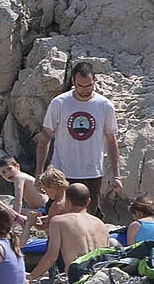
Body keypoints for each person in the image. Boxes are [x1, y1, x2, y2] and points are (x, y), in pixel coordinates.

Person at [36, 61, 122, 214]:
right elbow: (45, 138)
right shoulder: (59, 103)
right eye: (80, 86)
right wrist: (39, 174)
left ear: (94, 80)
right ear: (73, 82)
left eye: (88, 85)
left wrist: (117, 175)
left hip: (92, 172)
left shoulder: (104, 105)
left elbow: (111, 140)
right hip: (62, 172)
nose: (84, 90)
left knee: (89, 215)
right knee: (57, 214)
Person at [28, 183, 114, 281]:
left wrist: (31, 277)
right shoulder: (101, 224)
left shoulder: (58, 221)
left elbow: (51, 256)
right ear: (89, 201)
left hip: (77, 278)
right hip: (101, 278)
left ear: (67, 201)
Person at [0, 156, 48, 221]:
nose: (7, 173)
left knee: (8, 210)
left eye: (9, 169)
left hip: (44, 210)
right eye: (3, 172)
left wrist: (14, 219)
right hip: (41, 209)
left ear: (17, 166)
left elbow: (18, 201)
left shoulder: (19, 178)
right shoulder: (21, 177)